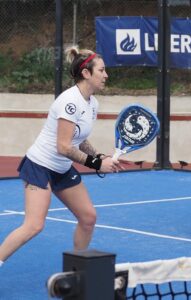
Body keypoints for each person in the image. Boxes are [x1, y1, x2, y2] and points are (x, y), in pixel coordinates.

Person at [0, 46, 124, 266]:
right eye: (102, 70)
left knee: (88, 219)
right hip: (39, 166)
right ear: (86, 73)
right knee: (34, 225)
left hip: (62, 168)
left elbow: (79, 139)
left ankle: (77, 270)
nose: (106, 75)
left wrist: (99, 156)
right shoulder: (69, 102)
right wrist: (96, 164)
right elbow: (64, 147)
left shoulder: (92, 103)